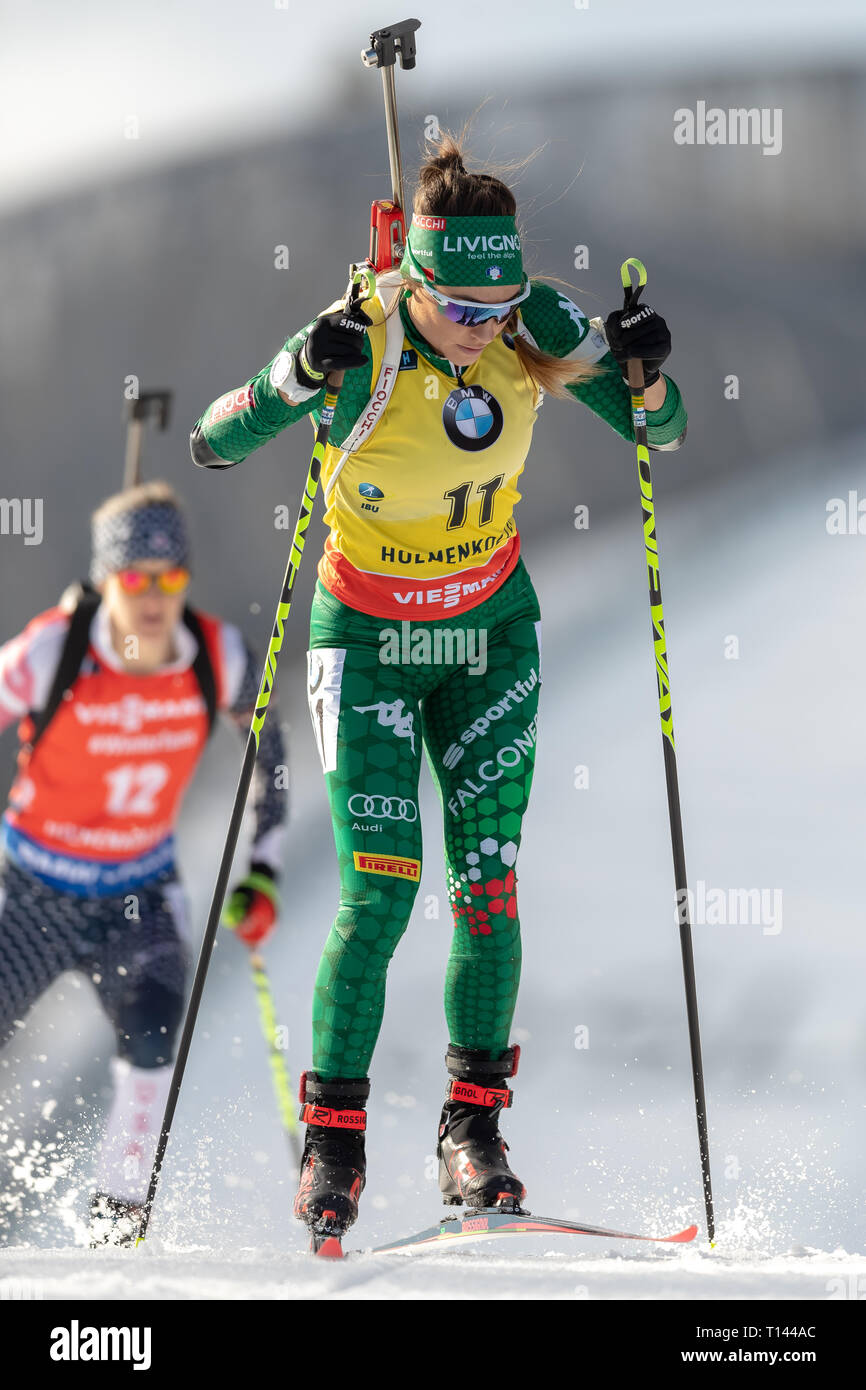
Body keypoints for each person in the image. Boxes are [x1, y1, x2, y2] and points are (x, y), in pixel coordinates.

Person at [190, 134, 687, 1246]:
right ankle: (333, 1143)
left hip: (486, 635)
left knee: (487, 884)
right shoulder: (359, 337)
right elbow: (215, 440)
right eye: (458, 307)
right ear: (412, 279)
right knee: (377, 886)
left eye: (496, 303)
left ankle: (474, 1133)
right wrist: (294, 377)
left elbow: (663, 432)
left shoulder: (529, 322)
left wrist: (645, 373)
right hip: (365, 639)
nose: (480, 328)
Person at [0, 481, 288, 1245]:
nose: (153, 597)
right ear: (105, 582)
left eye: (169, 578)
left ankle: (116, 1221)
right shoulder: (52, 650)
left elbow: (273, 761)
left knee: (156, 1040)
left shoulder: (218, 656)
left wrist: (262, 868)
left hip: (139, 894)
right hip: (32, 890)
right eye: (134, 579)